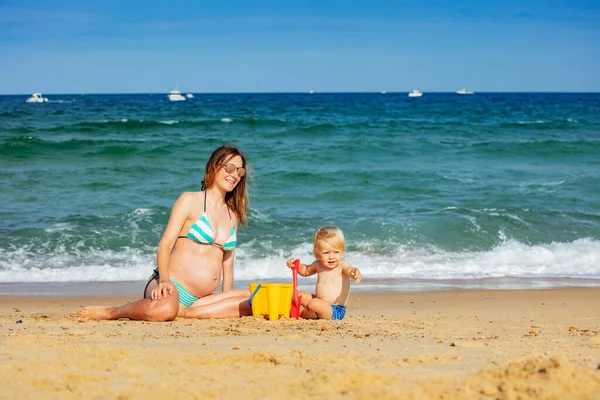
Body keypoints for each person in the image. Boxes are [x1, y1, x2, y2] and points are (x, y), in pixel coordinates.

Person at [77, 144, 252, 321]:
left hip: (201, 299)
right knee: (165, 310)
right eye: (229, 168)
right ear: (213, 167)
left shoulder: (233, 215)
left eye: (239, 171)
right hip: (170, 285)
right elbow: (165, 245)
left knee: (255, 296)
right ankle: (113, 312)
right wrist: (165, 281)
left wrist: (225, 300)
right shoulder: (190, 200)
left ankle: (185, 311)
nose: (235, 175)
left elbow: (227, 264)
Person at [286, 226, 362, 320]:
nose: (331, 257)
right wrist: (297, 265)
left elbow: (349, 270)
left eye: (336, 252)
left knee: (314, 304)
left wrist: (354, 272)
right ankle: (294, 311)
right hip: (319, 302)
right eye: (326, 253)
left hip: (335, 310)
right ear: (318, 254)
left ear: (342, 252)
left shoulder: (342, 266)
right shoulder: (318, 264)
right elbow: (305, 271)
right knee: (297, 294)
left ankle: (302, 315)